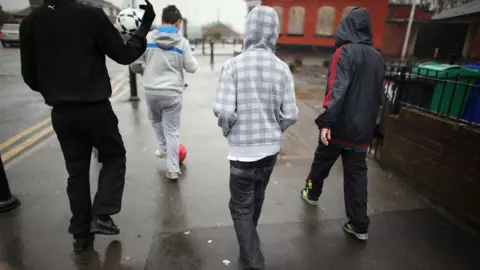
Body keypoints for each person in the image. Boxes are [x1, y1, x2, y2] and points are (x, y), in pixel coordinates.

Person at [20, 0, 156, 252]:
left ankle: (81, 235)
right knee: (114, 156)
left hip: (62, 112)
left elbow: (29, 75)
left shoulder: (30, 22)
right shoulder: (91, 16)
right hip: (94, 108)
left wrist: (56, 89)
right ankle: (102, 214)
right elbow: (125, 54)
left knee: (76, 172)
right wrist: (144, 25)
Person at [213, 6, 298, 269]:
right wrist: (274, 130)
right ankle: (249, 242)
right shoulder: (282, 69)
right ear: (274, 33)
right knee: (256, 198)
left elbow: (225, 110)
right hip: (270, 151)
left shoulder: (232, 66)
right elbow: (291, 114)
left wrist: (230, 131)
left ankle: (253, 260)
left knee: (239, 206)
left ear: (248, 30)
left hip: (242, 153)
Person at [299, 7, 384, 241]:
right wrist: (378, 128)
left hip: (339, 126)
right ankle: (358, 224)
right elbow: (380, 97)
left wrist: (326, 121)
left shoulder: (344, 53)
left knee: (321, 162)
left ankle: (311, 193)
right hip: (363, 130)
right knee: (357, 175)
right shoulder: (377, 57)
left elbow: (337, 88)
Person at [131, 5, 197, 180]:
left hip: (151, 90)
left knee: (155, 120)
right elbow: (191, 67)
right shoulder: (182, 42)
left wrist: (145, 72)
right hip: (172, 92)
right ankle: (173, 169)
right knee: (172, 131)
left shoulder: (149, 37)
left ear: (162, 21)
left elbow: (135, 63)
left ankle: (163, 147)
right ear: (178, 23)